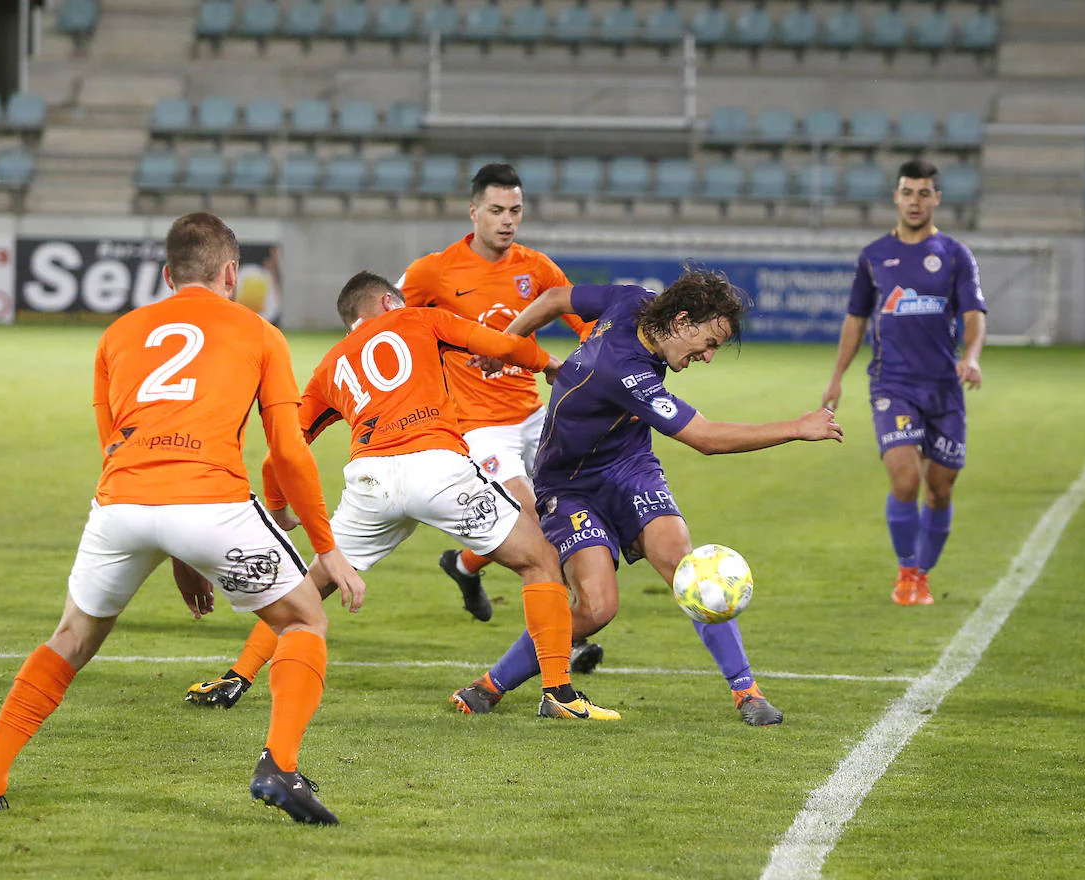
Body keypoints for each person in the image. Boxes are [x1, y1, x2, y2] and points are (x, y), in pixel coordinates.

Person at [0, 212, 366, 826]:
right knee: (304, 618)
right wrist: (328, 547)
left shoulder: (117, 335)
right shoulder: (260, 333)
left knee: (70, 639)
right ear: (232, 272)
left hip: (121, 505)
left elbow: (112, 446)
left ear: (168, 274)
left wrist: (175, 553)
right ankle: (279, 764)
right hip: (211, 502)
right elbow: (286, 450)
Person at [184, 272, 619, 721]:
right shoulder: (418, 319)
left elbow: (282, 450)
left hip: (370, 483)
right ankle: (559, 693)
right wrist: (547, 364)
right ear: (388, 301)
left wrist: (278, 506)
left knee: (311, 586)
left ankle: (238, 676)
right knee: (541, 560)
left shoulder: (330, 364)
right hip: (437, 469)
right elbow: (502, 346)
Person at [448, 269, 844, 726]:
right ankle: (492, 684)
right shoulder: (626, 372)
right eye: (710, 343)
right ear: (681, 322)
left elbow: (556, 297)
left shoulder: (633, 302)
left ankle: (746, 691)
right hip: (569, 484)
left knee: (688, 568)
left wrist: (505, 345)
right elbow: (706, 438)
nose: (709, 357)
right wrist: (797, 427)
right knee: (598, 607)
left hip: (630, 468)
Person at [398, 163, 605, 674]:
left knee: (567, 511)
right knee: (534, 521)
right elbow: (387, 325)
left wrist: (601, 365)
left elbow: (588, 324)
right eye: (496, 210)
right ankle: (568, 643)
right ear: (473, 212)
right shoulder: (434, 271)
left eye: (515, 210)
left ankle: (465, 564)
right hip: (478, 424)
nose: (507, 220)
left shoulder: (537, 269)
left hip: (534, 414)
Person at [821, 159, 987, 607]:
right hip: (891, 383)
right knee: (906, 479)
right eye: (908, 192)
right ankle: (908, 573)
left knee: (941, 487)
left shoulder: (955, 255)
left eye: (924, 193)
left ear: (936, 199)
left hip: (944, 387)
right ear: (896, 197)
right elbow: (856, 319)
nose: (915, 201)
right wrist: (837, 376)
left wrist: (971, 357)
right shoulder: (873, 255)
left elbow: (974, 317)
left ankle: (924, 574)